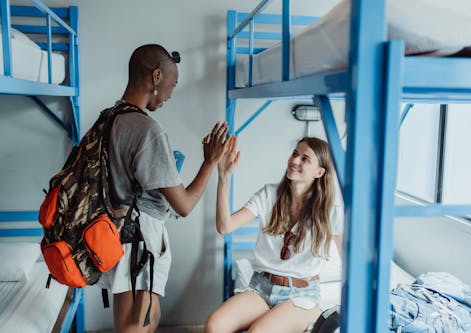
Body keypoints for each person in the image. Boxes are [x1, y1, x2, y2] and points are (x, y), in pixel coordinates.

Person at [97, 44, 231, 333]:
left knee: (149, 318)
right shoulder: (148, 130)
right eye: (172, 84)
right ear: (157, 76)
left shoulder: (110, 117)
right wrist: (210, 162)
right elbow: (184, 204)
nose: (171, 93)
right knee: (135, 327)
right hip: (139, 240)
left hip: (117, 233)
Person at [205, 136, 344, 333]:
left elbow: (349, 260)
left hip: (302, 295)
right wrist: (224, 176)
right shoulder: (269, 194)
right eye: (295, 153)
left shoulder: (331, 210)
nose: (295, 160)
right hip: (261, 288)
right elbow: (224, 226)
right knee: (214, 326)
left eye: (305, 159)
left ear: (319, 172)